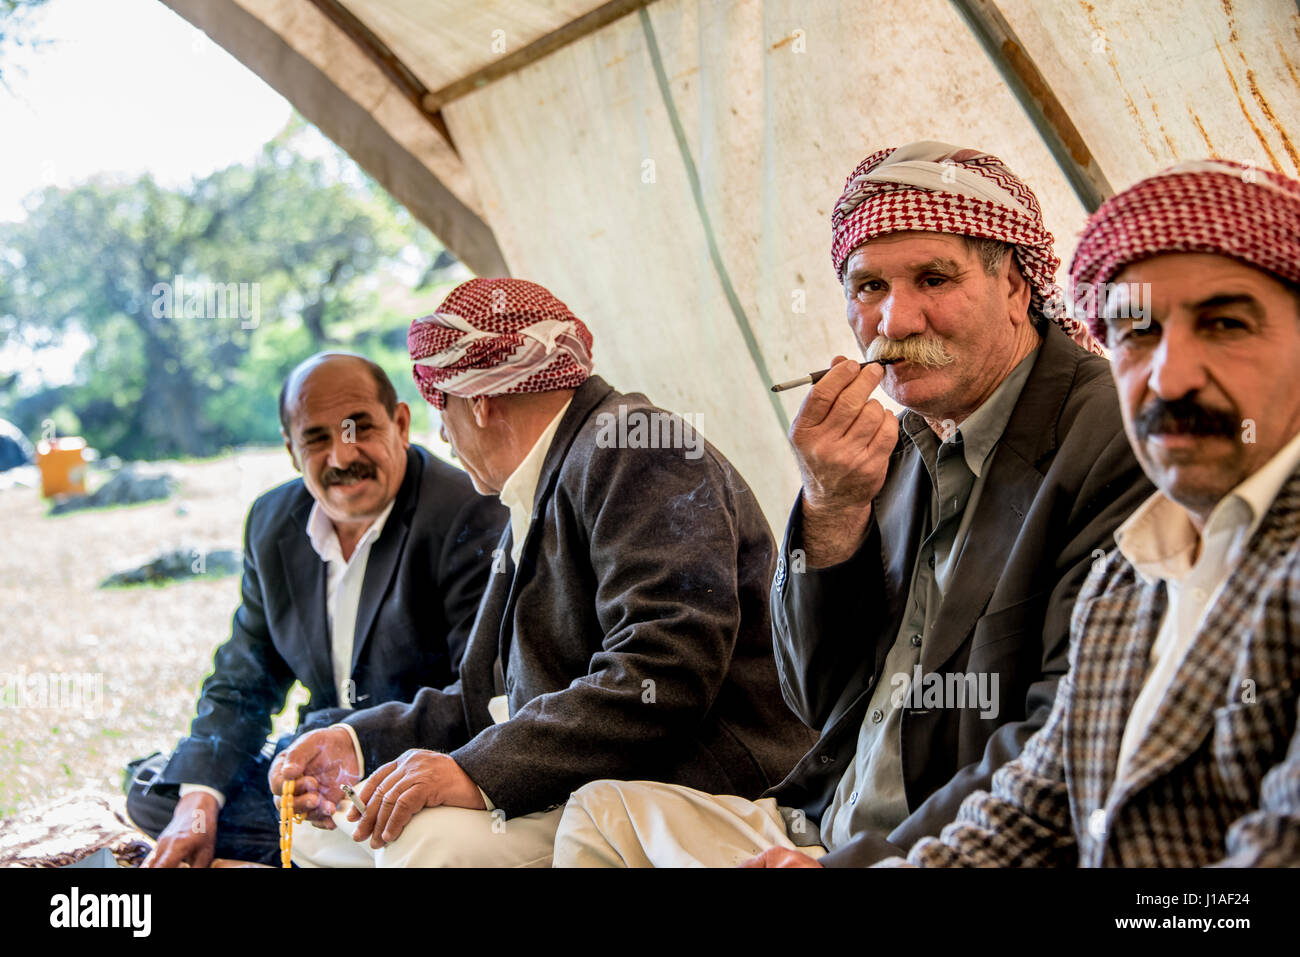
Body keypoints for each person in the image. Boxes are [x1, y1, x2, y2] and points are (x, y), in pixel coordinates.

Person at [552, 141, 1152, 867]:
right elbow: (814, 698)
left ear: (1018, 286)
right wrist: (829, 507)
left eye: (934, 277)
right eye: (868, 287)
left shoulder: (1111, 433)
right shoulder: (898, 447)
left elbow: (1067, 735)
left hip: (942, 849)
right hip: (821, 821)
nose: (895, 321)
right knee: (603, 814)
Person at [275, 278, 817, 867]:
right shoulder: (547, 479)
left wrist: (474, 773)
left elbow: (664, 670)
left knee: (427, 842)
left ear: (478, 402)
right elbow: (489, 696)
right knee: (325, 831)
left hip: (688, 788)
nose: (444, 436)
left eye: (443, 409)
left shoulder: (634, 448)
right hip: (590, 777)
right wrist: (359, 743)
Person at [874, 160, 1300, 867]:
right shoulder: (1129, 576)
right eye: (1138, 332)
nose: (1171, 375)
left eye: (1224, 324)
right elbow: (1033, 805)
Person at [129, 352, 505, 867]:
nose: (341, 456)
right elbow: (244, 679)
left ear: (399, 422)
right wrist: (198, 803)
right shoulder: (272, 520)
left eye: (359, 428)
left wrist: (349, 742)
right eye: (317, 439)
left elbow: (482, 696)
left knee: (425, 832)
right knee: (158, 788)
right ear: (291, 449)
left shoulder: (468, 510)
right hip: (314, 782)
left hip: (413, 773)